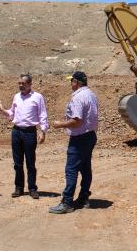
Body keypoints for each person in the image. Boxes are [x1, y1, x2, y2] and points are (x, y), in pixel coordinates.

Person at [49, 71, 98, 214]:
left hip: (80, 138)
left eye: (71, 81)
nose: (70, 84)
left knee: (71, 169)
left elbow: (77, 121)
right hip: (90, 136)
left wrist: (60, 124)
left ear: (76, 82)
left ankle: (67, 202)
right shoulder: (91, 94)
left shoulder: (78, 97)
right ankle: (84, 198)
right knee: (85, 168)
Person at [0, 74, 48, 199]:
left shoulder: (37, 97)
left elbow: (42, 115)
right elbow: (12, 113)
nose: (20, 85)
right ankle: (18, 188)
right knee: (17, 163)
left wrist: (43, 131)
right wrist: (3, 110)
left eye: (23, 83)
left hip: (30, 132)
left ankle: (32, 188)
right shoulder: (16, 97)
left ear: (30, 84)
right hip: (16, 132)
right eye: (19, 83)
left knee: (30, 162)